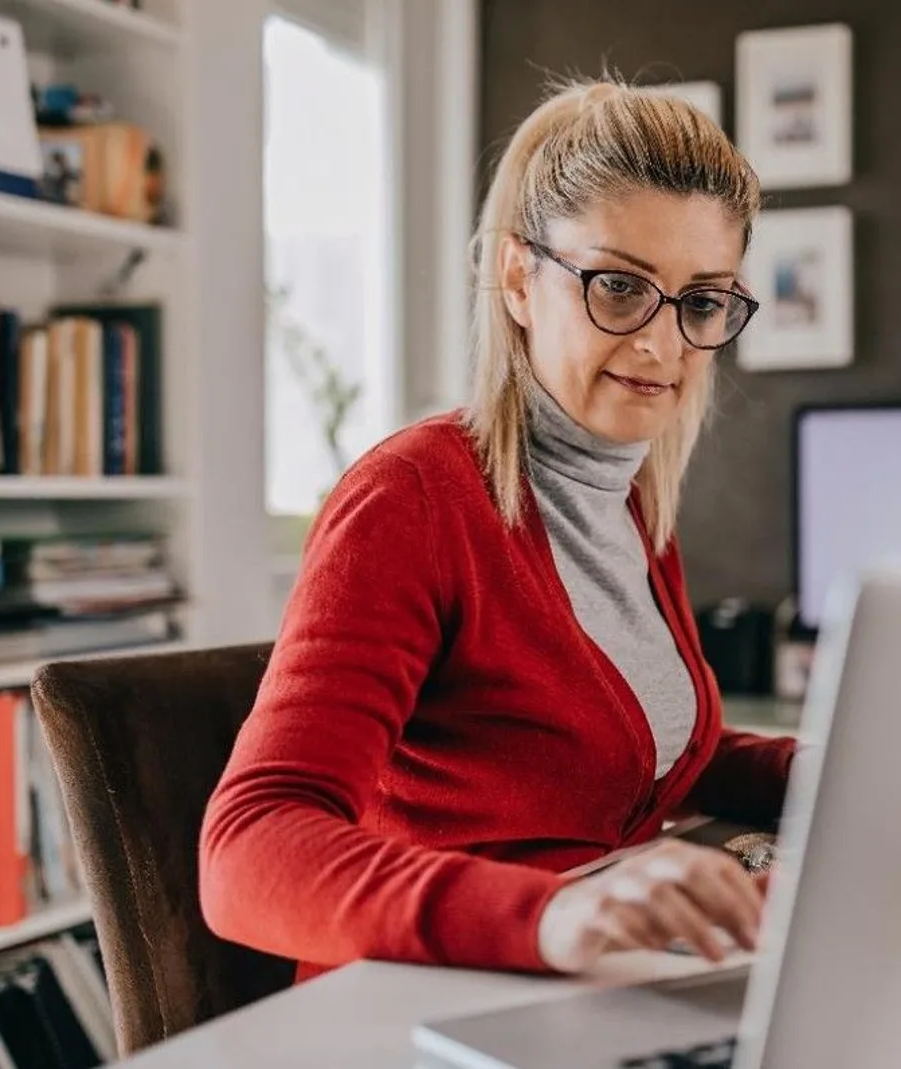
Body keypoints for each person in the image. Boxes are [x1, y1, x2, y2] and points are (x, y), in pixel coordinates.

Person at [198, 77, 797, 984]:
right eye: (619, 287)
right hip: (428, 1004)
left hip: (592, 985)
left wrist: (847, 764)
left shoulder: (629, 502)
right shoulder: (413, 499)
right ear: (519, 277)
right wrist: (553, 913)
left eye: (701, 301)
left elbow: (643, 750)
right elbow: (248, 848)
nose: (661, 345)